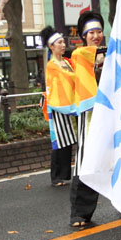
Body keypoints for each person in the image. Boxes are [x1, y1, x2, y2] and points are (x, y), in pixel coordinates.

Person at [67, 11, 105, 227]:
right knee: (85, 161)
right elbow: (92, 57)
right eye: (91, 32)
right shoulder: (79, 54)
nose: (96, 35)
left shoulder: (110, 53)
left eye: (99, 31)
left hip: (111, 110)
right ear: (83, 35)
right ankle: (80, 213)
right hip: (90, 114)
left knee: (117, 158)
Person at [41, 25, 78, 187]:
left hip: (70, 104)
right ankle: (56, 176)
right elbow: (61, 81)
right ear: (51, 46)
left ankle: (64, 174)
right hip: (58, 106)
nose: (63, 45)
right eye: (60, 43)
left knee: (68, 140)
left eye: (63, 42)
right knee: (59, 141)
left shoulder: (67, 62)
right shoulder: (51, 65)